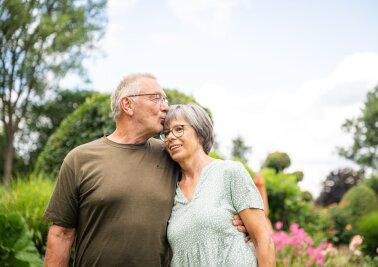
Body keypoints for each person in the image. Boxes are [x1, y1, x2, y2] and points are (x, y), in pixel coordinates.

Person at [43, 73, 246, 266]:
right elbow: (61, 234)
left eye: (165, 100)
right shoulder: (80, 159)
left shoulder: (171, 155)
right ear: (128, 105)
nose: (165, 107)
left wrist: (239, 222)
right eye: (156, 98)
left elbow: (211, 183)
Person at [161, 103, 276, 267]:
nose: (170, 137)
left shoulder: (229, 172)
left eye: (179, 129)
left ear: (200, 131)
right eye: (166, 133)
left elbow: (263, 241)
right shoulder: (170, 189)